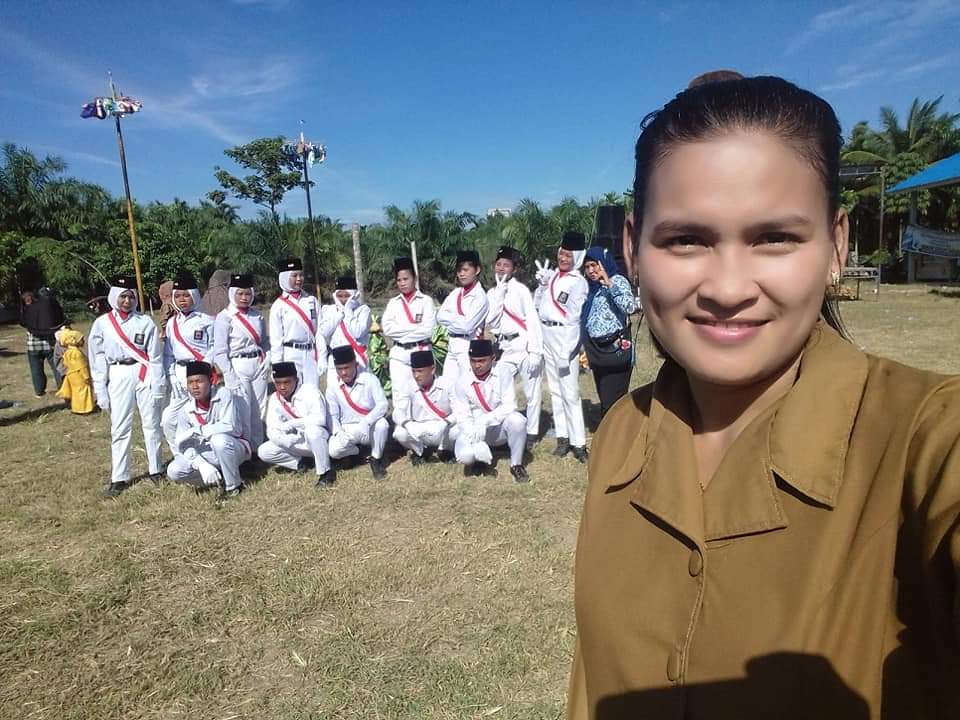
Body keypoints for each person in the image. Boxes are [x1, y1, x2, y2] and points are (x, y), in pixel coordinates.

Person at [567, 75, 960, 720]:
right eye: (686, 239)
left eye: (775, 237)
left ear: (836, 244)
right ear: (633, 248)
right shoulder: (619, 436)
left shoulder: (924, 441)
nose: (727, 289)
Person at [87, 276, 165, 497]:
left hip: (143, 372)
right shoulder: (102, 323)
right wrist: (100, 389)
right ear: (114, 297)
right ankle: (119, 476)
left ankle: (156, 468)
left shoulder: (145, 322)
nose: (127, 301)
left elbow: (155, 357)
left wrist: (157, 383)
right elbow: (97, 357)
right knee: (120, 426)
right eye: (123, 297)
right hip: (118, 373)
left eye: (131, 296)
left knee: (151, 423)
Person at [533, 231, 589, 463]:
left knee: (570, 392)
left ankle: (579, 443)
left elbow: (574, 318)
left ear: (577, 257)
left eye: (568, 255)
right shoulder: (553, 277)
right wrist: (541, 286)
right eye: (561, 254)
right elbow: (538, 305)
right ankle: (563, 438)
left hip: (564, 337)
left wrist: (568, 350)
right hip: (547, 334)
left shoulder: (578, 283)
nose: (563, 258)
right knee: (555, 390)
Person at [486, 246, 544, 449]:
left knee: (532, 392)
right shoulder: (492, 292)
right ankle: (509, 427)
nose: (501, 268)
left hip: (523, 344)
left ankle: (532, 432)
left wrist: (535, 351)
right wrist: (499, 295)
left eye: (506, 265)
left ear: (514, 269)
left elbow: (532, 320)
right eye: (499, 264)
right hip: (503, 347)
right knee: (502, 390)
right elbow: (491, 320)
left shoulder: (521, 290)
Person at [166, 361, 250, 500]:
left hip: (233, 447)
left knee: (219, 440)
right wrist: (202, 465)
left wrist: (199, 430)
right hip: (206, 453)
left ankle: (234, 486)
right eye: (190, 382)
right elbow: (183, 445)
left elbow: (232, 427)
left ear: (211, 381)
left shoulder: (224, 394)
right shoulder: (185, 411)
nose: (194, 386)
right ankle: (218, 478)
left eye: (199, 381)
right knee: (174, 470)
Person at [450, 339, 529, 482]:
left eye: (481, 361)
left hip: (497, 427)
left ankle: (516, 465)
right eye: (473, 361)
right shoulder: (462, 381)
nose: (477, 365)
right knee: (465, 456)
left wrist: (485, 420)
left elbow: (509, 405)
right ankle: (477, 461)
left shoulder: (503, 372)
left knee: (518, 421)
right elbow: (462, 415)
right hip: (474, 430)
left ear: (493, 359)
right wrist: (475, 440)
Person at [213, 273, 269, 447]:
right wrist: (229, 374)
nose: (244, 297)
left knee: (260, 407)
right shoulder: (225, 317)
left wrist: (267, 360)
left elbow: (264, 342)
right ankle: (245, 448)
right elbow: (220, 351)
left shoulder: (257, 316)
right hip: (237, 364)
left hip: (258, 363)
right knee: (243, 408)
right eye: (240, 293)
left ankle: (257, 447)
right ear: (232, 293)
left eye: (248, 293)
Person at [258, 361, 335, 487]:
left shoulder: (310, 391)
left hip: (322, 440)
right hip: (298, 441)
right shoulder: (275, 399)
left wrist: (293, 423)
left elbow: (320, 419)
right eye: (278, 383)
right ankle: (301, 463)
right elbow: (271, 429)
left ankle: (326, 472)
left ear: (296, 379)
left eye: (286, 382)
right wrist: (283, 440)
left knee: (313, 431)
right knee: (264, 451)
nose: (282, 387)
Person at [580, 246, 637, 418]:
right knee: (606, 397)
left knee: (613, 402)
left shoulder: (617, 280)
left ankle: (615, 432)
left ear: (603, 263)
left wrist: (609, 284)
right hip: (597, 352)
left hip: (615, 350)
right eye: (587, 267)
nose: (591, 270)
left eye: (594, 265)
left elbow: (630, 307)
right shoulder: (591, 288)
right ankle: (612, 430)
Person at [161, 273, 215, 453]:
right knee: (169, 419)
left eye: (186, 295)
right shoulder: (171, 323)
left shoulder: (207, 320)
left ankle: (208, 453)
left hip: (201, 373)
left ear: (194, 295)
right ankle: (180, 455)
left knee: (201, 416)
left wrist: (205, 369)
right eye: (177, 296)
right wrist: (172, 376)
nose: (182, 300)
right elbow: (168, 353)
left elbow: (214, 347)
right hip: (179, 374)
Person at [380, 257, 437, 424]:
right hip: (399, 353)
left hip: (420, 351)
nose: (402, 283)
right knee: (400, 394)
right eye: (399, 280)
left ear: (414, 278)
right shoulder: (393, 303)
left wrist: (402, 330)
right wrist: (414, 328)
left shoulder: (425, 301)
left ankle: (424, 426)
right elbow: (387, 329)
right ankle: (403, 427)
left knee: (422, 391)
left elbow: (428, 329)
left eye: (406, 279)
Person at [325, 345, 390, 479]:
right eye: (339, 369)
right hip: (348, 428)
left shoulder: (369, 379)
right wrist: (338, 432)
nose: (343, 373)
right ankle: (358, 452)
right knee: (333, 451)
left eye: (347, 367)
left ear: (355, 364)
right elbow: (333, 416)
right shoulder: (332, 388)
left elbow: (383, 405)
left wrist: (366, 421)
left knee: (382, 424)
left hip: (368, 426)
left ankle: (376, 459)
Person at [437, 250, 489, 391]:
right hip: (452, 344)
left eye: (465, 270)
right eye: (459, 270)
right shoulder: (455, 293)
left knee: (468, 388)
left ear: (477, 270)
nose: (461, 274)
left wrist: (451, 318)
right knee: (447, 387)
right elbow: (440, 316)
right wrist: (459, 319)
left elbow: (467, 326)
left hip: (469, 344)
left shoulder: (480, 297)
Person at [269, 258, 325, 388]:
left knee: (313, 393)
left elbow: (319, 331)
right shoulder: (278, 306)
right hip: (290, 354)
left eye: (301, 275)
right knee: (294, 393)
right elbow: (276, 341)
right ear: (284, 277)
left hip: (310, 354)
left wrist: (322, 356)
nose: (299, 279)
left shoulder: (311, 300)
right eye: (294, 276)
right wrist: (277, 364)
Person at [393, 349, 455, 464]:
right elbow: (397, 412)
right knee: (399, 433)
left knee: (458, 429)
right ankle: (421, 451)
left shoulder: (447, 384)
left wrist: (445, 422)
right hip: (420, 428)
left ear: (432, 369)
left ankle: (445, 450)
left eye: (420, 371)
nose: (416, 376)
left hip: (442, 427)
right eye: (413, 371)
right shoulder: (408, 385)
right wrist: (408, 424)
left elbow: (460, 411)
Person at [318, 275, 372, 389]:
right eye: (339, 296)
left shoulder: (363, 310)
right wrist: (340, 314)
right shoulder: (329, 310)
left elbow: (358, 332)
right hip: (335, 360)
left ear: (354, 295)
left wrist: (348, 311)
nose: (343, 299)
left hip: (357, 359)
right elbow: (324, 331)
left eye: (347, 296)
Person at [20, 289, 65, 397]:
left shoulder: (27, 310)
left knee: (36, 369)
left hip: (33, 344)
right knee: (57, 367)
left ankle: (39, 391)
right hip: (49, 342)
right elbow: (58, 318)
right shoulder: (46, 305)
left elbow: (23, 322)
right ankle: (63, 388)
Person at [55, 327, 95, 414]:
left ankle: (76, 407)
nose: (83, 341)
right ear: (74, 341)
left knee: (76, 391)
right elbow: (82, 366)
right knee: (83, 391)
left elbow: (65, 363)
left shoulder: (67, 352)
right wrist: (87, 377)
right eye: (81, 339)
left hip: (71, 375)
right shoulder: (77, 353)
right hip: (79, 375)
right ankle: (84, 409)